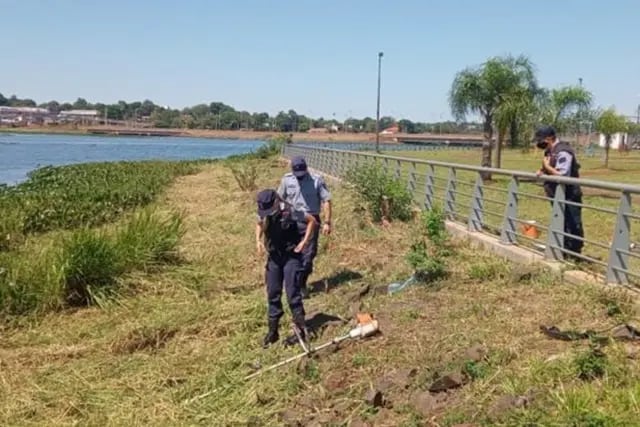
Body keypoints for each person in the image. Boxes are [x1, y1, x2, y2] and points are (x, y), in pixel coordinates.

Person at [255, 189, 318, 348]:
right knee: (273, 292)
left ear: (276, 202)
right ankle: (273, 331)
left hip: (291, 257)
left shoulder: (290, 211)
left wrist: (304, 242)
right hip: (274, 258)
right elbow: (259, 223)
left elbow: (312, 221)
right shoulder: (265, 213)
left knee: (292, 293)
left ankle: (302, 329)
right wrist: (258, 239)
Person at [277, 156, 332, 297]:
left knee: (308, 254)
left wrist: (327, 222)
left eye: (302, 172)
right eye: (297, 173)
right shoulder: (287, 180)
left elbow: (326, 200)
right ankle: (291, 283)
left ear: (306, 168)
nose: (300, 176)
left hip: (311, 220)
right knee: (291, 253)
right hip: (292, 221)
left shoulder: (317, 180)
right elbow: (279, 199)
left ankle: (301, 283)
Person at [534, 125, 584, 258]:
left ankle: (574, 254)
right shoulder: (550, 151)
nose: (539, 143)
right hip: (556, 194)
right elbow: (550, 167)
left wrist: (547, 167)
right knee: (560, 221)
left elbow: (563, 175)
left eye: (541, 140)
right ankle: (562, 250)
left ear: (549, 138)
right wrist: (542, 170)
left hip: (569, 194)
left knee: (572, 223)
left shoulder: (563, 151)